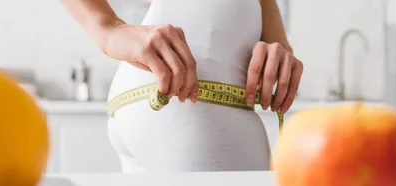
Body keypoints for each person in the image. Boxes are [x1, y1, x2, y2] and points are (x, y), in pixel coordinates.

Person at [58, 0, 304, 172]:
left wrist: (280, 53)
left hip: (171, 103)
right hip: (193, 106)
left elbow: (271, 35)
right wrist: (108, 28)